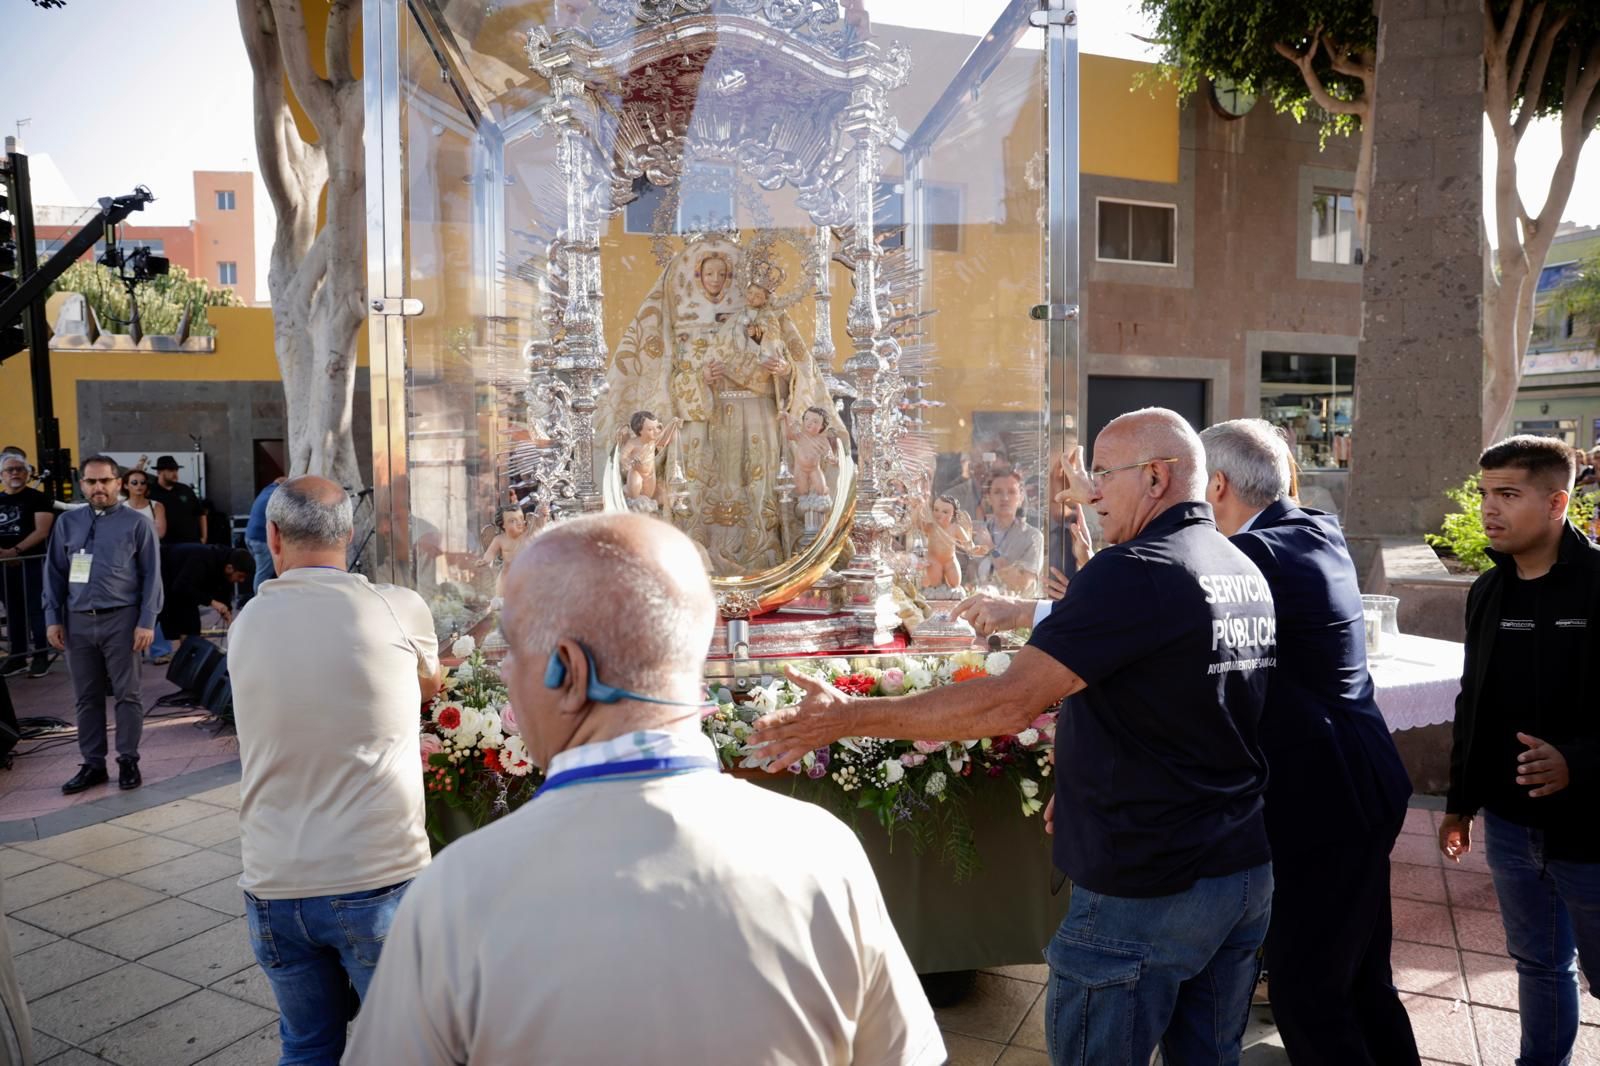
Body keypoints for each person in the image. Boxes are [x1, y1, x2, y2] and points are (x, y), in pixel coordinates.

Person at [755, 408, 1276, 1064]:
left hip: (1146, 885)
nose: (1088, 494)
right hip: (1238, 873)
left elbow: (1007, 701)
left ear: (1154, 477)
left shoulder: (1135, 569)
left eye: (1102, 476)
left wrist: (844, 719)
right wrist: (1085, 776)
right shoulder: (1241, 568)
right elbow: (1181, 708)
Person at [345, 513, 942, 1066]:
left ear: (567, 672)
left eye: (513, 652)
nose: (505, 674)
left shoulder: (461, 891)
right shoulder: (823, 853)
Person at [1201, 418, 1420, 1066]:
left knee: (1309, 991)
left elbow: (1163, 601)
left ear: (1215, 486)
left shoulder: (1258, 555)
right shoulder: (1313, 527)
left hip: (1328, 801)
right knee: (1361, 978)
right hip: (1359, 785)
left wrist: (1034, 616)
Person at [226, 475, 440, 1064]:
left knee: (307, 1044)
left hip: (272, 884)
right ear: (350, 533)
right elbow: (431, 687)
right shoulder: (398, 608)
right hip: (375, 879)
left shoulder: (245, 626)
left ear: (271, 536)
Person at [1439, 435, 1600, 1066]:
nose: (1489, 509)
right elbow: (1471, 704)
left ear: (1558, 502)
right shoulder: (1487, 590)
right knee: (1538, 964)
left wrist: (1578, 762)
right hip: (1509, 826)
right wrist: (1460, 803)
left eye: (1508, 494)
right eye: (1484, 494)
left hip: (1591, 830)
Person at [42, 455, 163, 793]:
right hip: (77, 622)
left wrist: (146, 621)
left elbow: (152, 574)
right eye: (91, 482)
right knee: (86, 696)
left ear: (118, 482)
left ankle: (128, 760)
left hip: (122, 620)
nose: (98, 488)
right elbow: (53, 573)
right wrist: (52, 619)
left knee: (128, 694)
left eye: (105, 481)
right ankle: (93, 764)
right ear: (82, 485)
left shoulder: (137, 524)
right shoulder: (67, 523)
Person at [0, 451, 54, 679]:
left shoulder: (38, 498)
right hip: (3, 566)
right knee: (13, 611)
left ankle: (41, 655)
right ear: (1, 475)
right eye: (10, 470)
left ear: (27, 473)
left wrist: (15, 551)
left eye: (20, 469)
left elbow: (42, 530)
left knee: (36, 609)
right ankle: (18, 657)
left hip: (31, 563)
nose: (15, 473)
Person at [158, 544, 252, 646]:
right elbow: (181, 586)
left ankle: (189, 654)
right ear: (229, 568)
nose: (241, 581)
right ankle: (185, 655)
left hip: (180, 581)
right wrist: (212, 602)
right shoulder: (203, 559)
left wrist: (228, 614)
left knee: (191, 625)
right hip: (163, 571)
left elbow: (224, 589)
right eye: (240, 576)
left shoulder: (226, 559)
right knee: (183, 621)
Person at [972, 469, 1044, 596]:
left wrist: (991, 549)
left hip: (1017, 611)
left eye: (1011, 492)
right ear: (988, 497)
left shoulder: (1032, 537)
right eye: (998, 492)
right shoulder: (978, 533)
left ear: (1021, 498)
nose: (1005, 498)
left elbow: (1021, 584)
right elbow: (968, 579)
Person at [147, 455, 205, 545]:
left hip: (191, 543)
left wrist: (204, 537)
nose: (175, 474)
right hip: (165, 545)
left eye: (176, 470)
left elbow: (200, 514)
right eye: (170, 470)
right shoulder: (150, 492)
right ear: (159, 472)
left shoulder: (186, 489)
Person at [243, 477, 284, 593]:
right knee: (263, 573)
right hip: (261, 540)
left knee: (262, 570)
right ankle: (258, 600)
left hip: (250, 537)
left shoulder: (266, 490)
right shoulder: (277, 495)